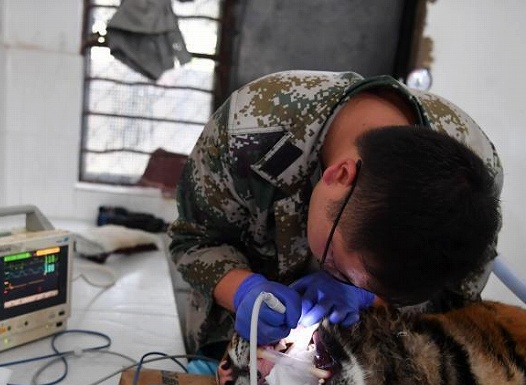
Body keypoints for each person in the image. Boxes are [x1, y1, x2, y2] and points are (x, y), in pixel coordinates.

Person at [168, 70, 503, 358]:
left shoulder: (470, 186)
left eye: (363, 283)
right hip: (230, 341)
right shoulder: (250, 129)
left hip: (364, 362)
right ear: (340, 175)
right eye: (334, 265)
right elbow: (193, 239)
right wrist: (241, 292)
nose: (340, 281)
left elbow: (456, 305)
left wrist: (371, 301)